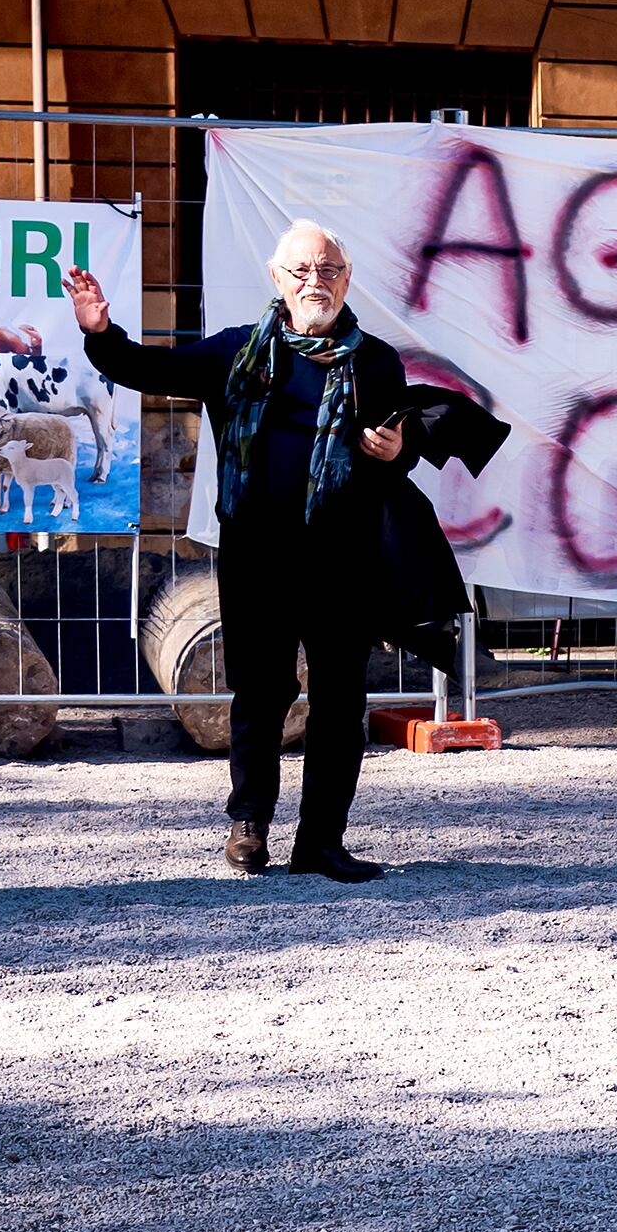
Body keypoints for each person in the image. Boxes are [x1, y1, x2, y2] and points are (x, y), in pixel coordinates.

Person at [67, 225, 466, 882]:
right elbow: (149, 369)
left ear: (347, 278)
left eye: (331, 268)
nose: (318, 280)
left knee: (339, 700)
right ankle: (249, 827)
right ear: (279, 279)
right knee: (262, 692)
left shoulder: (375, 362)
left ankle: (321, 844)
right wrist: (100, 332)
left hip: (344, 558)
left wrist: (400, 451)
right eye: (303, 269)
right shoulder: (236, 354)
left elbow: (405, 436)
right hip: (257, 557)